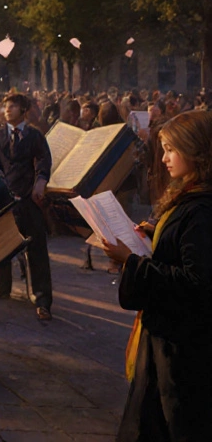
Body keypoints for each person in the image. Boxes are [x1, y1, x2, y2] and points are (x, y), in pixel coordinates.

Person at [105, 110, 212, 441]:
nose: (163, 159)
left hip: (182, 353)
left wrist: (132, 261)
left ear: (195, 150)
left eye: (170, 149)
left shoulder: (202, 208)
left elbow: (196, 281)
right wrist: (154, 237)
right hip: (168, 344)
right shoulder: (191, 196)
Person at [0, 92, 54, 322]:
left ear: (23, 110)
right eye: (6, 106)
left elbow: (44, 160)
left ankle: (43, 301)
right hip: (3, 200)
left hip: (27, 199)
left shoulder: (35, 135)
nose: (8, 109)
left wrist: (41, 181)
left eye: (13, 106)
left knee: (37, 251)